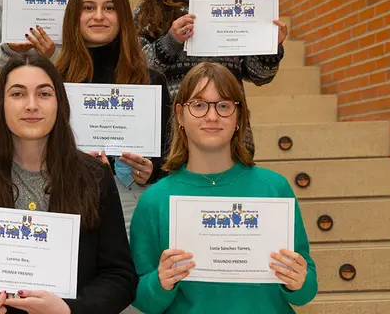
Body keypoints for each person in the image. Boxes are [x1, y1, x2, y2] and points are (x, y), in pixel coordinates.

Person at [0, 54, 138, 313]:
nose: (31, 105)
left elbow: (119, 276)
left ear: (59, 104)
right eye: (18, 94)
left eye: (43, 94)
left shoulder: (94, 177)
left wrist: (70, 310)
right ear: (1, 105)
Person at [129, 62, 317, 313]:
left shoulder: (274, 189)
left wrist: (298, 281)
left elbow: (307, 288)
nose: (212, 116)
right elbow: (139, 297)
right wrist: (160, 282)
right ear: (179, 115)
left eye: (224, 105)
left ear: (239, 118)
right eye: (198, 105)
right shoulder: (155, 200)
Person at [134, 0, 288, 152]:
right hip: (172, 140)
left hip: (229, 137)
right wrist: (171, 41)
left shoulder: (236, 3)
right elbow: (136, 70)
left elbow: (260, 75)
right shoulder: (150, 8)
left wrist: (271, 47)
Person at [55, 0, 172, 234]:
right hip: (67, 204)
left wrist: (150, 172)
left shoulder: (151, 83)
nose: (99, 16)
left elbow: (170, 159)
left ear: (122, 17)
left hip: (133, 208)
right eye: (88, 8)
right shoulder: (53, 82)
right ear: (74, 15)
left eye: (109, 8)